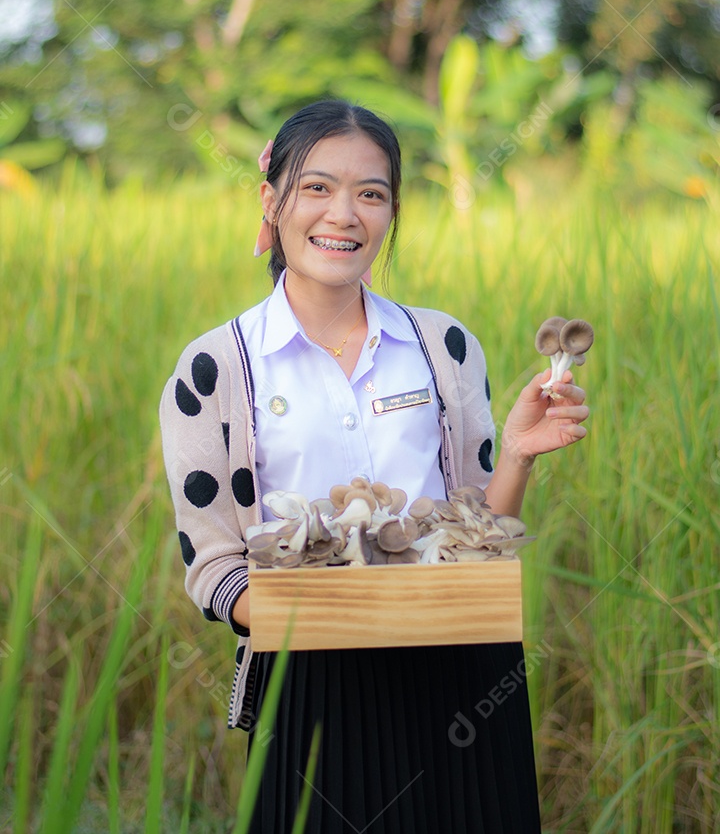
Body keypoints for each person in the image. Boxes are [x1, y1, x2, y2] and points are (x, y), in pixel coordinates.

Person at [159, 98, 590, 833]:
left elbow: (483, 528)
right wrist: (330, 618)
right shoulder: (216, 368)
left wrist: (517, 454)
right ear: (272, 200)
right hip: (312, 691)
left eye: (371, 193)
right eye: (317, 187)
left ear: (391, 212)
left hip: (462, 673)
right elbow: (212, 566)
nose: (344, 214)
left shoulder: (443, 346)